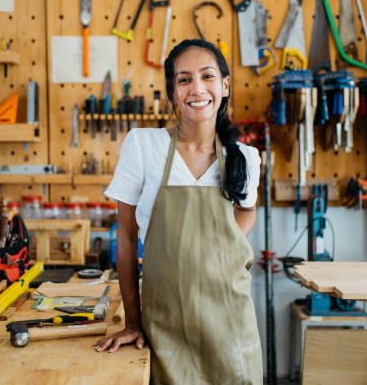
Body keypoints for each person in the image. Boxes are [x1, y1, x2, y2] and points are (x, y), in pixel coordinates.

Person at [94, 38, 263, 384]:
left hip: (230, 324)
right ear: (172, 93)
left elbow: (247, 212)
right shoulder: (144, 147)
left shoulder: (244, 158)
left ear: (225, 86)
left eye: (207, 76)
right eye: (184, 80)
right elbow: (125, 237)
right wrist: (132, 321)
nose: (197, 88)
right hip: (165, 326)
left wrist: (215, 246)